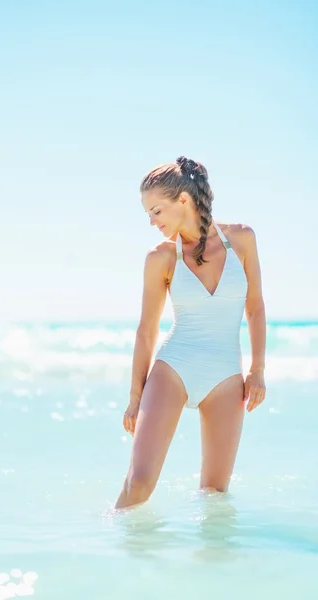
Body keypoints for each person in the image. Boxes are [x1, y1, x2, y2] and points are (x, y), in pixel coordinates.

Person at [115, 156, 266, 510]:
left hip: (226, 375)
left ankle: (211, 563)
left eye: (156, 212)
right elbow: (146, 330)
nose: (152, 222)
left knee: (215, 496)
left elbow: (255, 307)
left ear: (183, 200)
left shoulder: (241, 239)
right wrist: (136, 396)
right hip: (174, 368)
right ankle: (115, 548)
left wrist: (257, 369)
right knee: (139, 484)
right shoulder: (161, 258)